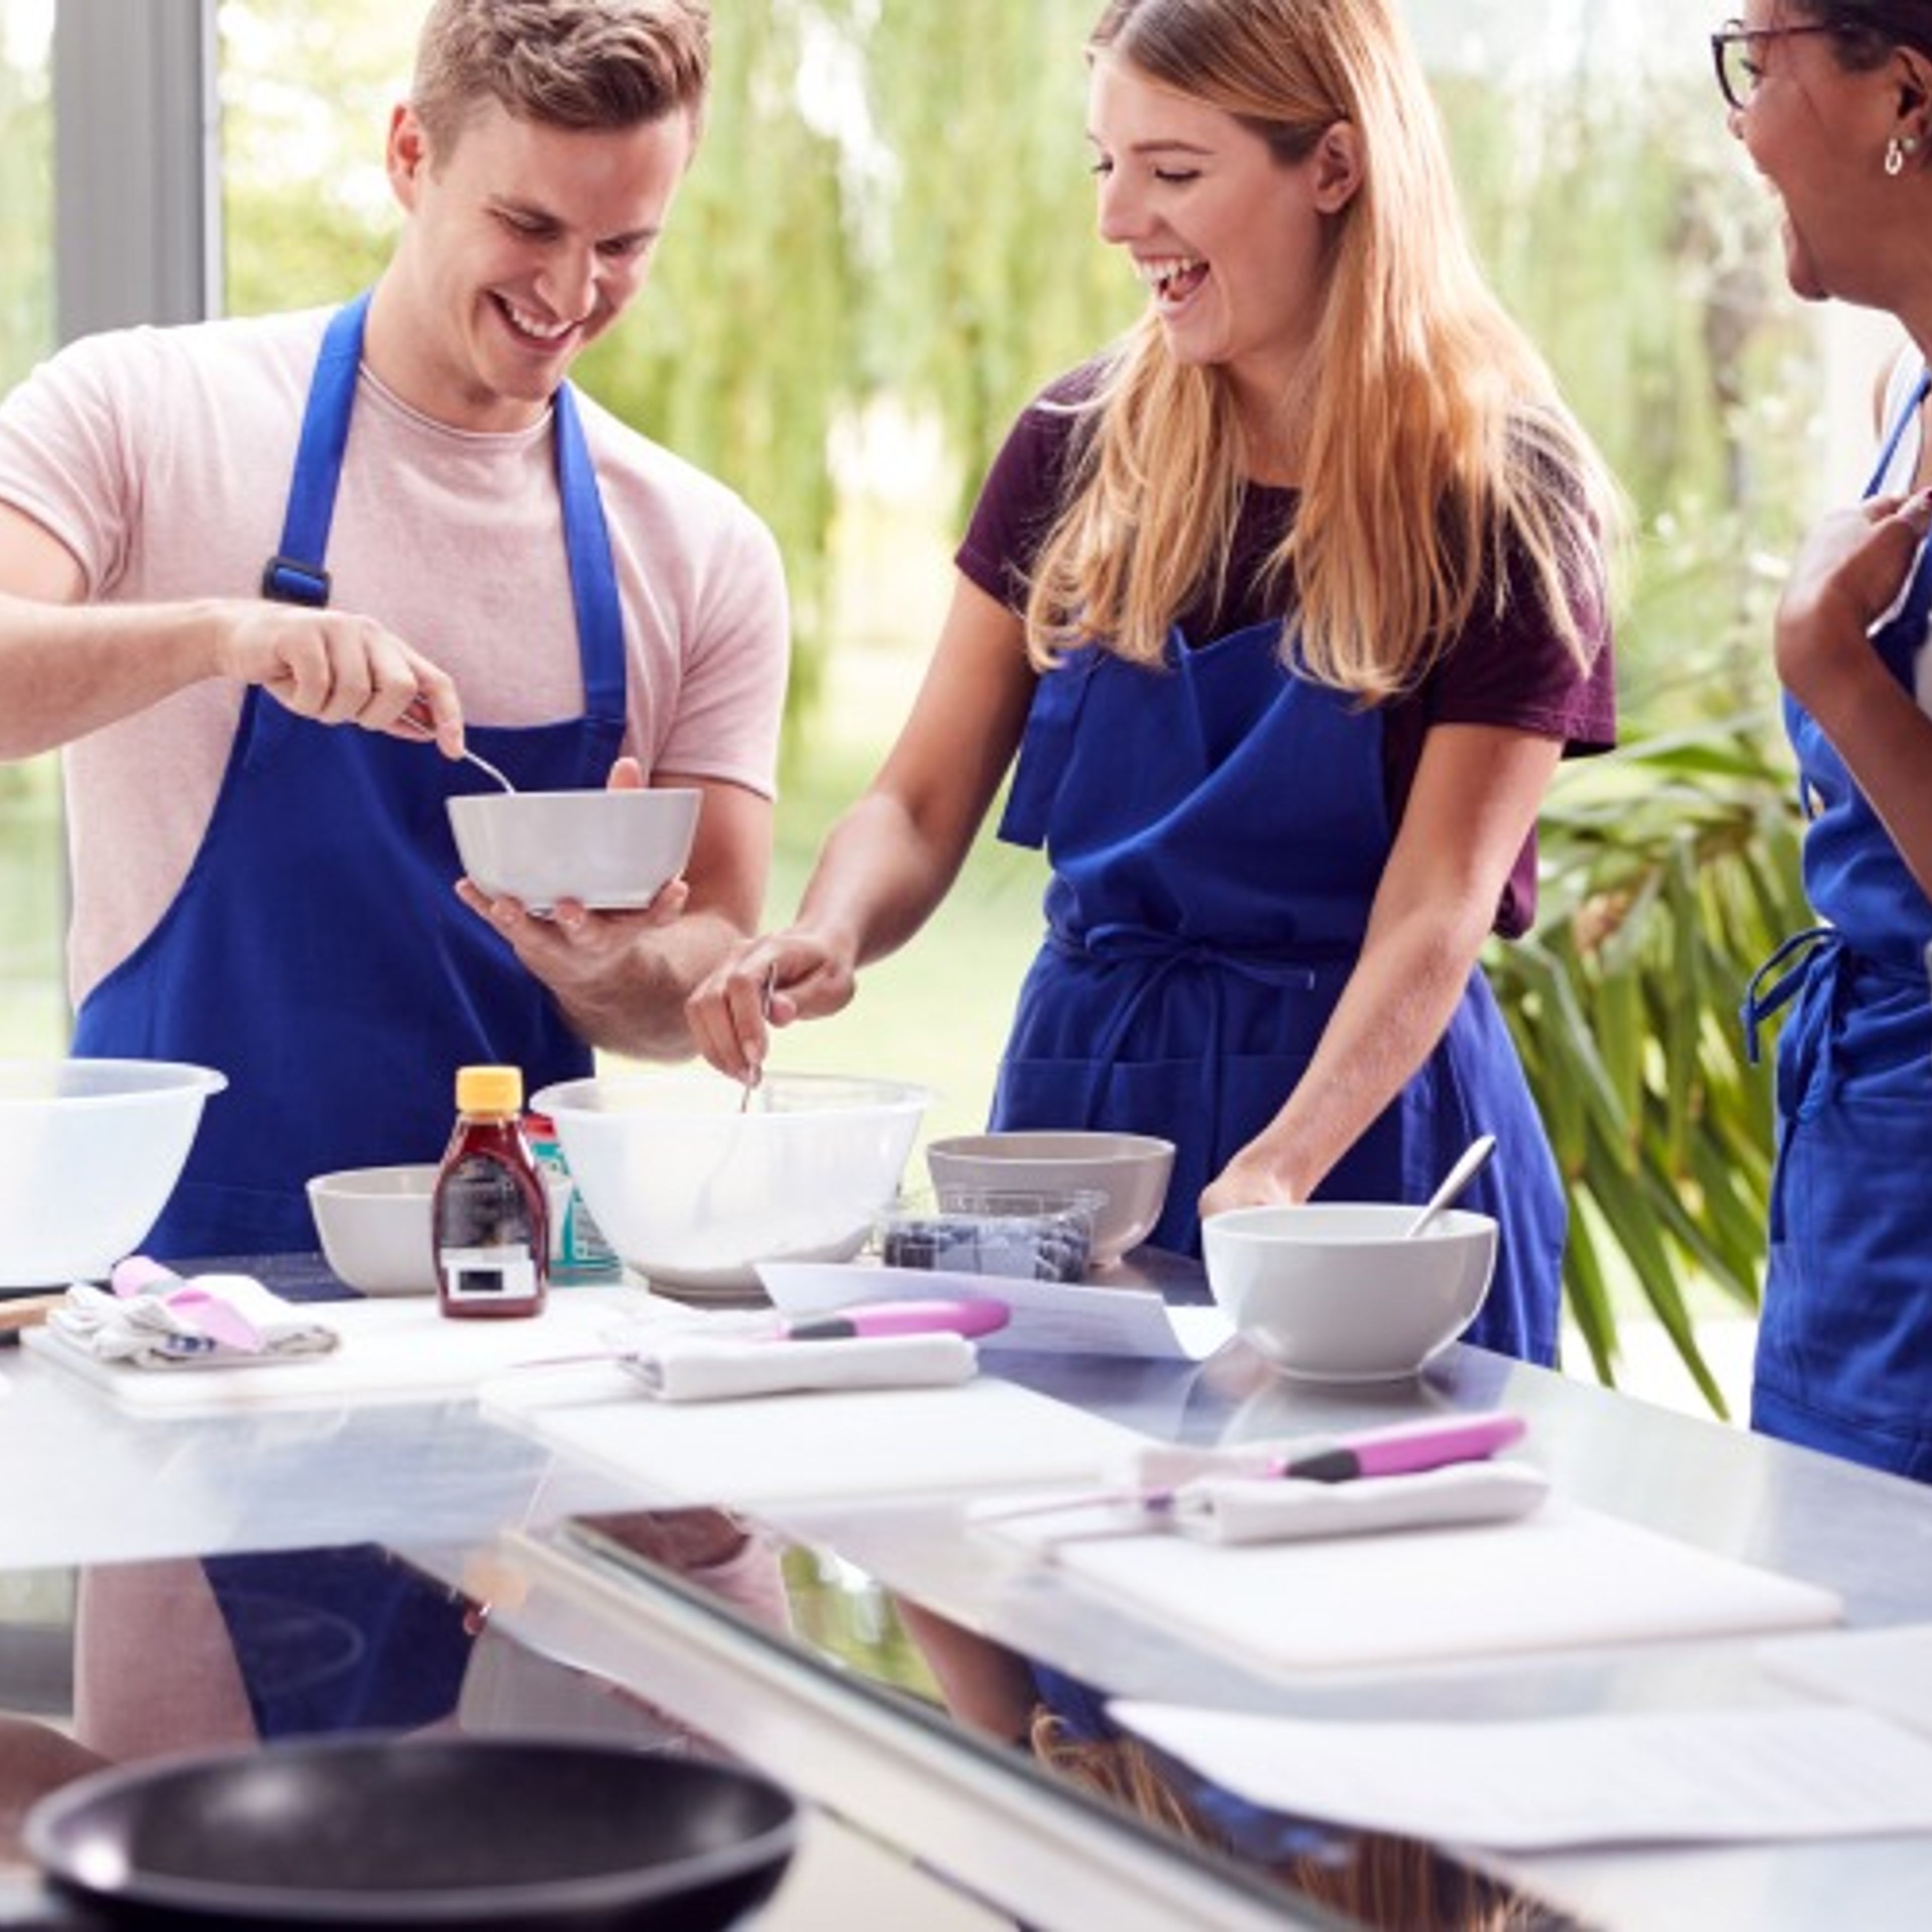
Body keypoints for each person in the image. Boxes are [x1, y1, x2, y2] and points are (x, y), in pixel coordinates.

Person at [688, 0, 1615, 1362]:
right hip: (1085, 1104)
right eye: (1103, 165)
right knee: (1059, 1548)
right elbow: (919, 800)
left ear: (1336, 170)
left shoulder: (1501, 496)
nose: (1121, 219)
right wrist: (829, 929)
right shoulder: (1074, 449)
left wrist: (1282, 1173)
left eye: (1173, 171)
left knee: (1367, 1542)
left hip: (1361, 1128)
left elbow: (1435, 911)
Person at [0, 0, 788, 1259]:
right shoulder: (146, 411)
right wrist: (220, 638)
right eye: (528, 225)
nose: (570, 294)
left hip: (513, 1290)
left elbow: (704, 969)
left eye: (625, 245)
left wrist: (599, 966)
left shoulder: (700, 548)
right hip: (166, 1282)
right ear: (411, 156)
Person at [1723, 4, 1932, 1482]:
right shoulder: (1901, 392)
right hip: (1862, 1163)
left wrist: (1829, 666)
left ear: (1900, 95)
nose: (1739, 124)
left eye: (1759, 62)